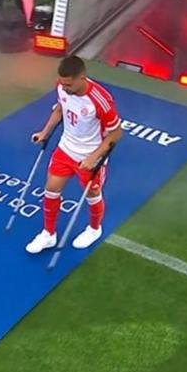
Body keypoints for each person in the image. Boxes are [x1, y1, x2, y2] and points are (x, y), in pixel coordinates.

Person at [26, 56, 122, 254]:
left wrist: (93, 157)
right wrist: (44, 133)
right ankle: (48, 234)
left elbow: (116, 133)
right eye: (62, 83)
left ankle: (94, 229)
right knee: (51, 189)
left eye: (69, 84)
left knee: (92, 194)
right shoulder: (62, 87)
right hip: (65, 148)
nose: (65, 87)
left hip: (89, 155)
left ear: (82, 78)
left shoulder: (100, 100)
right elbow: (60, 110)